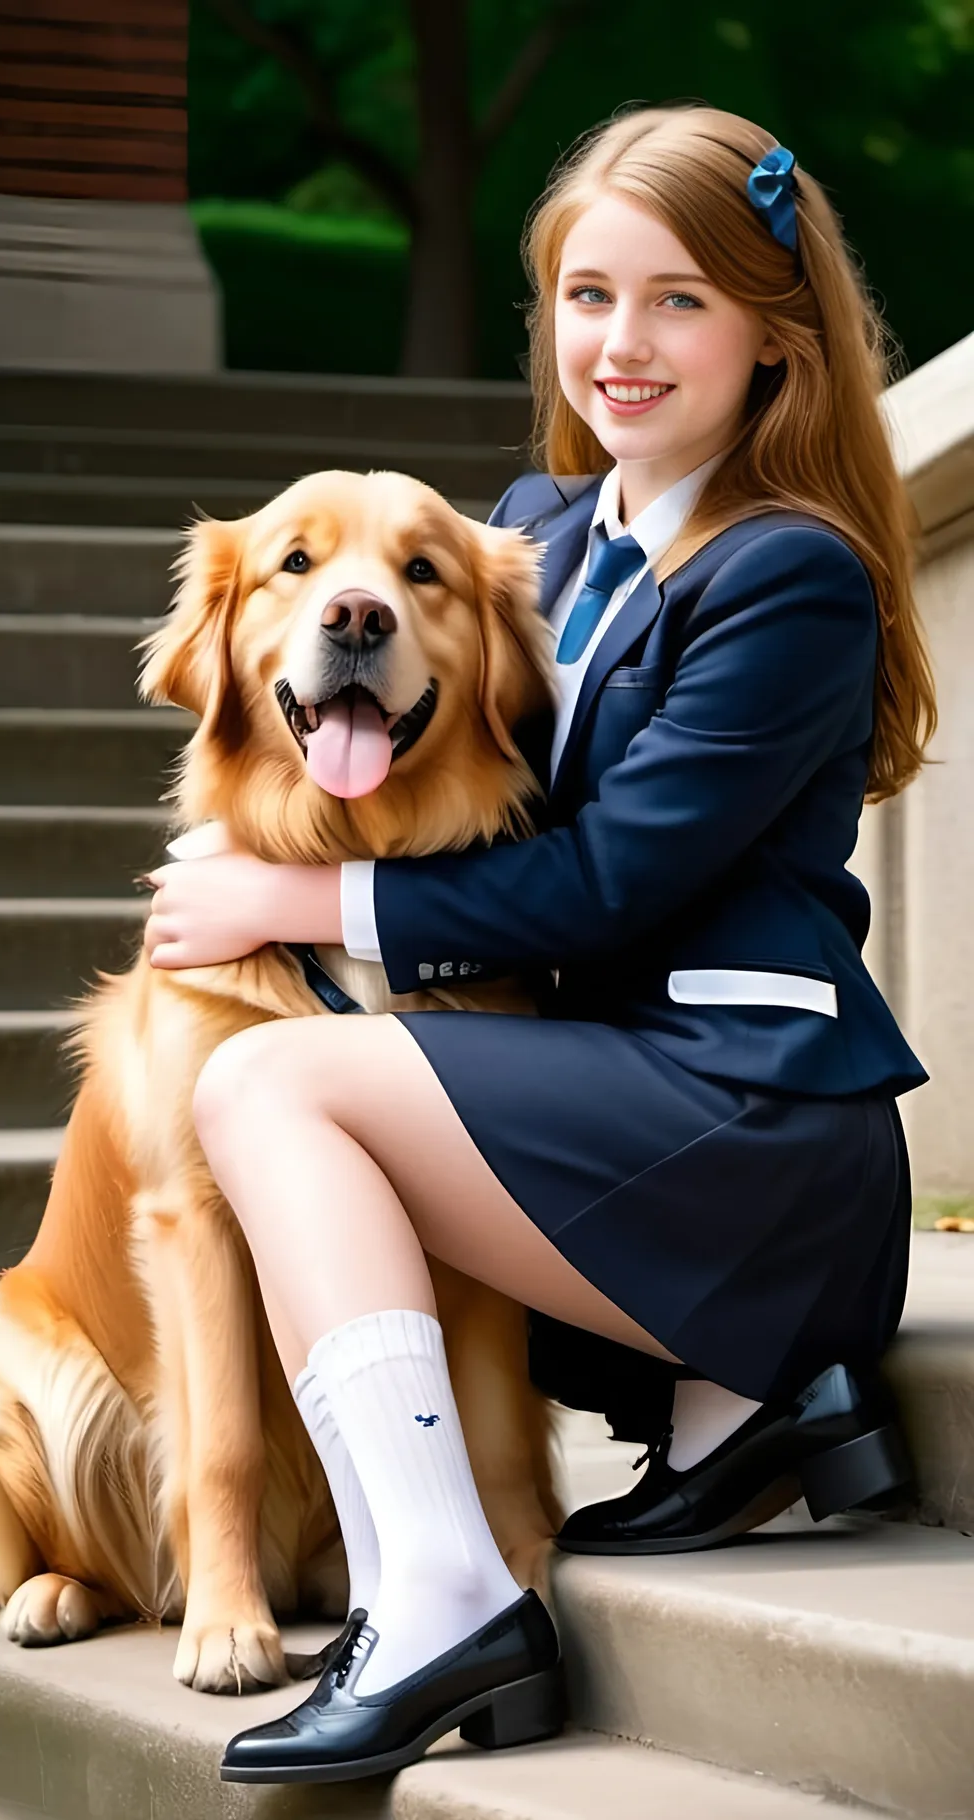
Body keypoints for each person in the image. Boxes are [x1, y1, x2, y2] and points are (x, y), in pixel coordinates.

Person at [144, 103, 935, 1785]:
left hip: (753, 1130)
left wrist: (303, 904)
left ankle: (437, 1599)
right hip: (605, 1100)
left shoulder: (793, 576)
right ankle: (757, 1410)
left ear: (773, 339)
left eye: (679, 302)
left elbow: (605, 887)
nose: (622, 345)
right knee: (267, 1086)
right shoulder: (541, 532)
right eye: (588, 296)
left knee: (275, 1093)